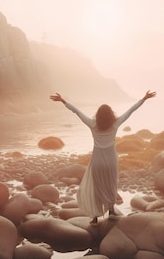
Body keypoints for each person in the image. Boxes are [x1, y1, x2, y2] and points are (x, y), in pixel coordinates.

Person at [50, 90, 156, 224]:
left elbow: (77, 112)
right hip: (111, 158)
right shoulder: (115, 123)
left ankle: (95, 217)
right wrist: (144, 98)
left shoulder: (92, 124)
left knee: (97, 187)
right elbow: (131, 110)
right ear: (111, 114)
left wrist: (63, 101)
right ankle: (111, 209)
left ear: (98, 115)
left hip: (98, 159)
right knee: (111, 185)